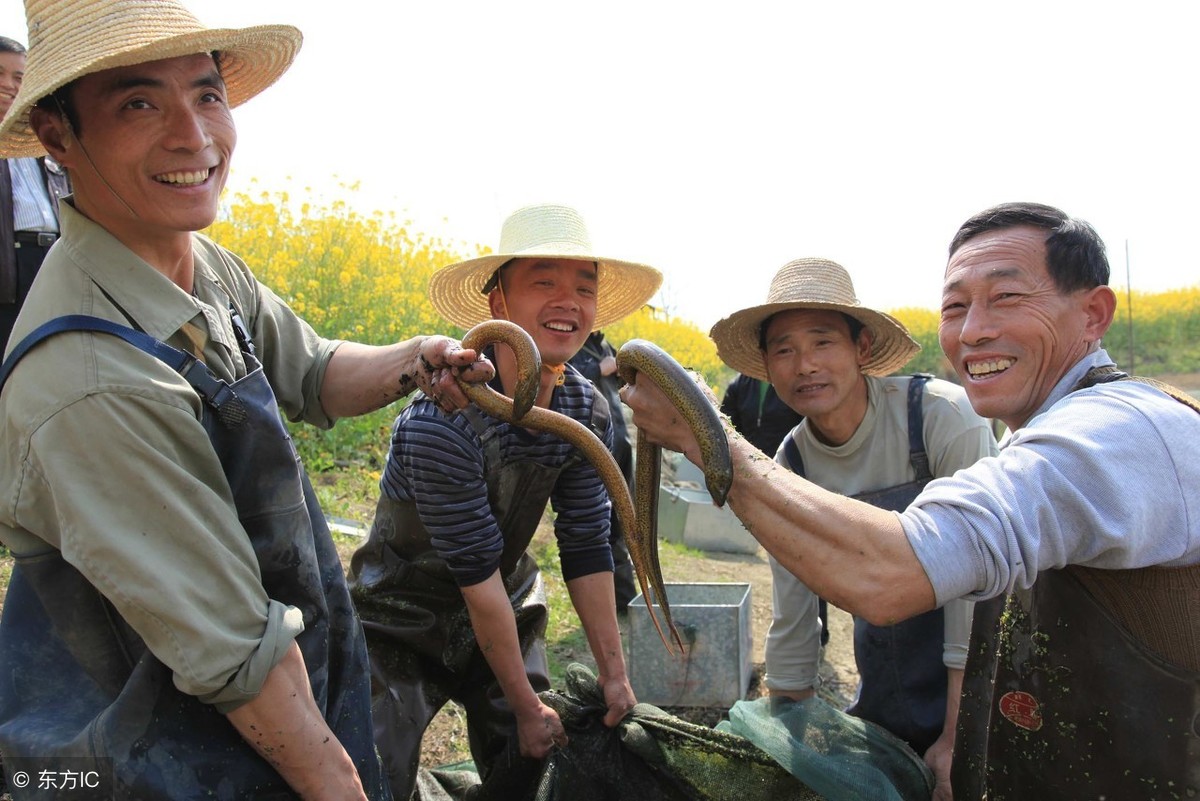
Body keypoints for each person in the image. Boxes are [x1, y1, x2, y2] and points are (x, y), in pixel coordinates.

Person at [0, 1, 494, 798]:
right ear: (58, 135)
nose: (194, 137)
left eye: (205, 94)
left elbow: (314, 371)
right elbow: (242, 662)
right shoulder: (88, 380)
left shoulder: (201, 267)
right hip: (146, 751)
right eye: (137, 103)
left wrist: (419, 359)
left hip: (243, 698)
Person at [622, 202, 1200, 800]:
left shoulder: (1115, 434)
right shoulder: (1027, 432)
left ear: (1093, 313)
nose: (974, 329)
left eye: (1006, 297)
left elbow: (901, 572)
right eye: (955, 307)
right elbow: (797, 604)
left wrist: (705, 439)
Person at [347, 203, 663, 797]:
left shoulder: (585, 409)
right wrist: (523, 705)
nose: (567, 300)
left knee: (539, 761)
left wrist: (616, 676)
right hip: (398, 613)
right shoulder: (443, 418)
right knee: (369, 771)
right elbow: (473, 574)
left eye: (583, 287)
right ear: (499, 305)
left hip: (506, 601)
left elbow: (588, 543)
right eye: (543, 282)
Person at [711, 257, 998, 797]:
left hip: (983, 678)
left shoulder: (939, 418)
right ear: (768, 369)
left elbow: (977, 596)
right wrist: (784, 733)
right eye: (784, 350)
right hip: (887, 677)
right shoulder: (790, 464)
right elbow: (794, 610)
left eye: (822, 343)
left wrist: (959, 736)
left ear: (862, 349)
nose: (805, 366)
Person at [0, 35, 70, 354]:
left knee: (55, 355)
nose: (9, 85)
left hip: (55, 257)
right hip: (10, 263)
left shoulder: (47, 141)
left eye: (19, 77)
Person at [569, 329, 638, 612]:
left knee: (625, 522)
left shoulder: (605, 344)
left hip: (620, 443)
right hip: (593, 447)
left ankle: (626, 600)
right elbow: (562, 377)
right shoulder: (572, 342)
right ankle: (619, 602)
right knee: (602, 526)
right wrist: (599, 368)